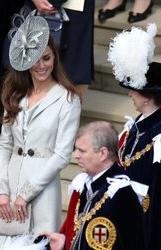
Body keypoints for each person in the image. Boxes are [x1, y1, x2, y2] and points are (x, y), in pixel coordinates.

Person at [0, 13, 81, 249]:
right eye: (35, 59)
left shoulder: (68, 100)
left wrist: (26, 193)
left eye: (46, 58)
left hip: (42, 188)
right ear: (24, 61)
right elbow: (5, 144)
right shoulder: (15, 94)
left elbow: (61, 155)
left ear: (54, 57)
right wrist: (0, 190)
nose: (42, 66)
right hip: (10, 184)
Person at [42, 121, 147, 250]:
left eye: (82, 151)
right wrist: (64, 244)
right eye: (76, 149)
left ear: (103, 153)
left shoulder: (121, 194)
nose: (76, 155)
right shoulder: (85, 185)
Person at [108, 23, 161, 250]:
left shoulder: (159, 137)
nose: (129, 93)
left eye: (133, 89)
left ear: (147, 96)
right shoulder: (135, 127)